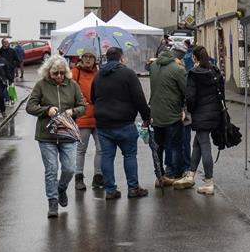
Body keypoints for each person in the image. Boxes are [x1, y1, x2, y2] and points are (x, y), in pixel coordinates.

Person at [25, 55, 86, 218]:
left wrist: (73, 111)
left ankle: (61, 188)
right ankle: (52, 202)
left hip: (68, 135)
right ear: (48, 73)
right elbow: (30, 106)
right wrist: (46, 110)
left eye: (61, 73)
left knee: (70, 168)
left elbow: (83, 106)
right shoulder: (41, 85)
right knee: (51, 170)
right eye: (55, 73)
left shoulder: (72, 86)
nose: (59, 76)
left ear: (65, 72)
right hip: (47, 136)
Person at [91, 47, 150, 200]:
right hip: (124, 122)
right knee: (129, 155)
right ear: (121, 57)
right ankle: (133, 188)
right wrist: (146, 117)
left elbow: (93, 98)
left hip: (103, 124)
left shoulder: (98, 75)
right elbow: (139, 97)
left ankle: (110, 190)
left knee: (107, 157)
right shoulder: (128, 73)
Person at [174, 46, 224, 195]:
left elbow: (190, 97)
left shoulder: (194, 74)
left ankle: (209, 182)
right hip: (215, 113)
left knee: (204, 145)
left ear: (194, 57)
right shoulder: (215, 71)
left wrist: (189, 110)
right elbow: (221, 93)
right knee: (197, 144)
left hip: (201, 114)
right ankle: (190, 175)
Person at [149, 46, 189, 186]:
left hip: (156, 114)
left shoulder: (153, 66)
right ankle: (175, 174)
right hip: (173, 114)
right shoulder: (178, 69)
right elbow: (186, 90)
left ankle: (160, 175)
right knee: (176, 145)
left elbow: (149, 64)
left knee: (159, 146)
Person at [70, 51, 103, 191]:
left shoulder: (99, 73)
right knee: (81, 149)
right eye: (85, 57)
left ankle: (98, 177)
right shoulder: (75, 72)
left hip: (98, 115)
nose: (88, 60)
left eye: (91, 57)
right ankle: (79, 177)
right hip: (82, 115)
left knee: (101, 149)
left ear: (95, 59)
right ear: (81, 59)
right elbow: (69, 90)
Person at [0, 37, 19, 105]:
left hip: (10, 71)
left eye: (7, 43)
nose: (6, 44)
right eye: (4, 43)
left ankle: (12, 99)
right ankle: (6, 99)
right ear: (2, 43)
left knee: (11, 86)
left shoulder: (12, 51)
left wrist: (13, 66)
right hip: (2, 72)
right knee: (4, 86)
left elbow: (17, 60)